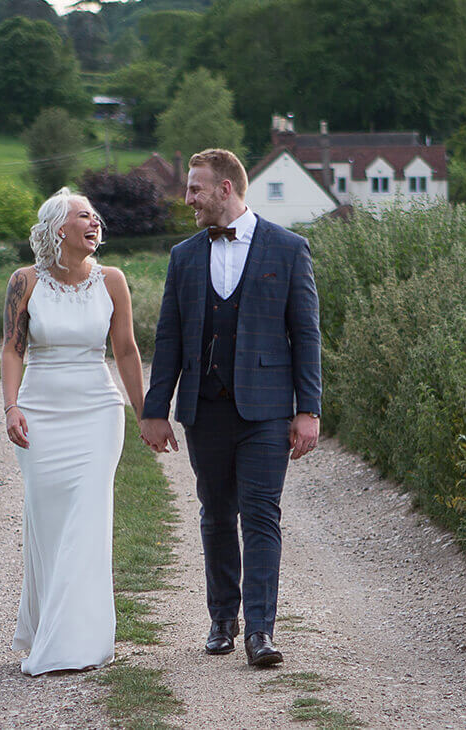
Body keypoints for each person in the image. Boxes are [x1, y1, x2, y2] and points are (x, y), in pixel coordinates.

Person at [139, 149, 322, 667]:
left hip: (266, 410)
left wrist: (308, 409)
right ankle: (222, 618)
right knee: (216, 514)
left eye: (195, 188)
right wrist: (156, 409)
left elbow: (306, 336)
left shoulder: (289, 249)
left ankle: (260, 632)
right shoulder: (184, 256)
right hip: (205, 409)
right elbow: (168, 338)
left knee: (261, 515)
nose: (188, 197)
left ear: (226, 189)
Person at [3, 188, 146, 676]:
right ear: (58, 229)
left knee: (87, 522)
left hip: (97, 414)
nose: (94, 222)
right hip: (40, 413)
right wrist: (10, 407)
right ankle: (49, 627)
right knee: (48, 524)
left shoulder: (113, 281)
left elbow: (125, 351)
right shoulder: (24, 281)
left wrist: (146, 412)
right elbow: (11, 349)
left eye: (95, 216)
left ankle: (80, 640)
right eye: (83, 216)